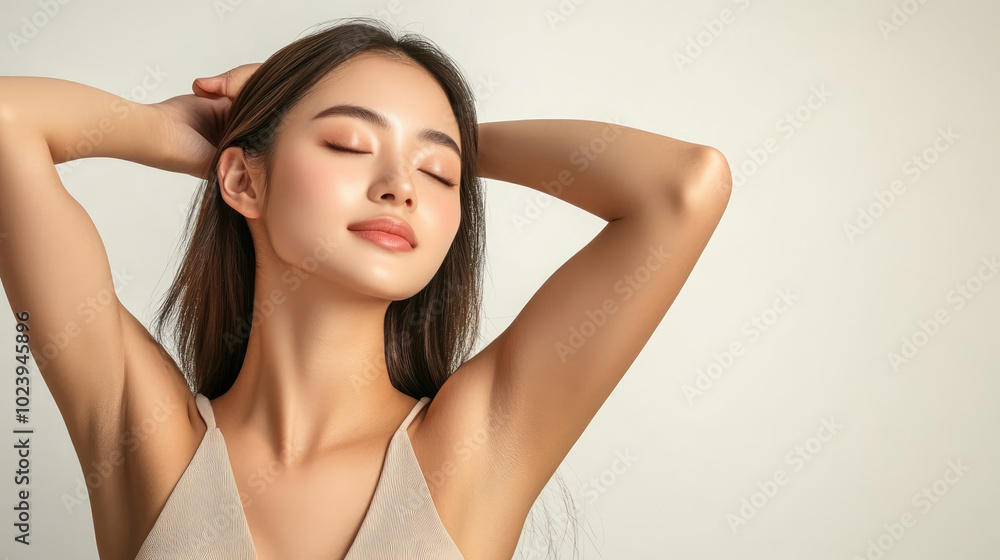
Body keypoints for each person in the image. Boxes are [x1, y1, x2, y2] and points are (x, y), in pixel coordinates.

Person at [0, 16, 731, 560]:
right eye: (349, 145)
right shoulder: (148, 440)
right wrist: (197, 134)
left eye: (441, 174)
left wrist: (456, 133)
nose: (400, 187)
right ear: (244, 180)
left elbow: (684, 187)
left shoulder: (475, 443)